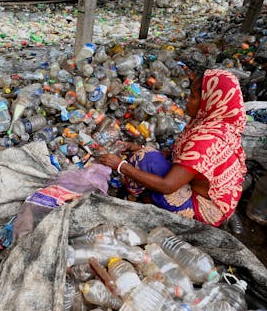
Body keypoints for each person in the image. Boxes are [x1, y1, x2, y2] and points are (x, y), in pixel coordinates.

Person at [99, 69, 247, 227]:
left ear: (210, 101)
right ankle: (146, 195)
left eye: (194, 97)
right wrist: (136, 147)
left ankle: (148, 201)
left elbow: (167, 186)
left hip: (205, 210)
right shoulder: (217, 124)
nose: (188, 101)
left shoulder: (207, 139)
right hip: (213, 195)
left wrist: (121, 166)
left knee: (147, 167)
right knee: (147, 154)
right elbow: (180, 156)